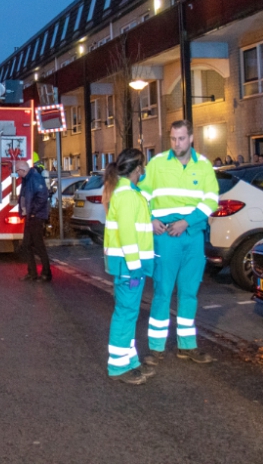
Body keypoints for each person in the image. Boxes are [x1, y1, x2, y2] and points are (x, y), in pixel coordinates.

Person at [141, 120, 219, 364]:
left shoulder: (204, 166)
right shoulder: (157, 164)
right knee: (163, 292)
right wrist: (151, 218)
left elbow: (211, 200)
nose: (177, 144)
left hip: (192, 234)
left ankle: (188, 346)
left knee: (189, 292)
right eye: (173, 139)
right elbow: (143, 195)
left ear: (191, 138)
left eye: (182, 139)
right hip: (165, 236)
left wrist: (188, 222)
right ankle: (156, 348)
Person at [101, 149, 155, 385]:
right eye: (142, 167)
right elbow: (127, 235)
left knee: (130, 314)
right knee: (126, 313)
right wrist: (135, 267)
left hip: (129, 265)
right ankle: (118, 365)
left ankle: (129, 360)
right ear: (136, 170)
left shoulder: (130, 193)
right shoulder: (127, 196)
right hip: (129, 266)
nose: (144, 171)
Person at [16, 155, 51, 282]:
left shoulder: (35, 178)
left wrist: (33, 212)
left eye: (17, 171)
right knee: (27, 245)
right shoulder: (28, 178)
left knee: (38, 245)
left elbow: (42, 196)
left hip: (36, 216)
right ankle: (32, 273)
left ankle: (46, 274)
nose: (17, 174)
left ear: (22, 170)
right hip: (31, 216)